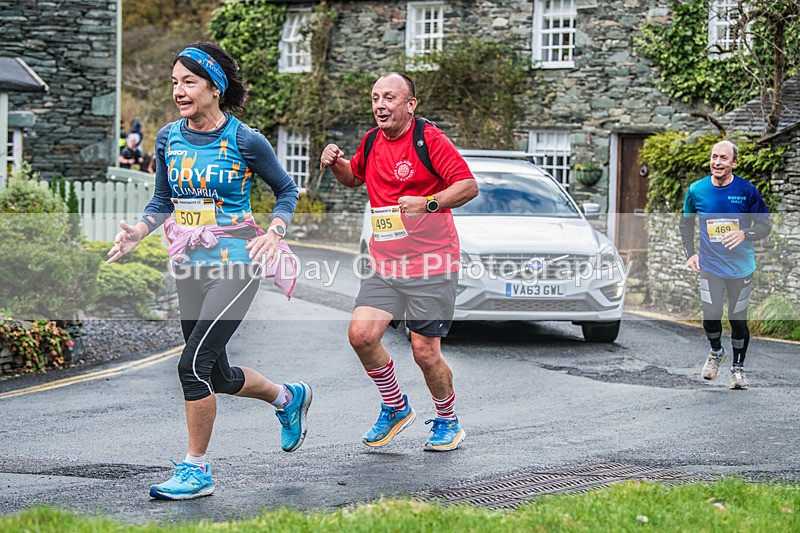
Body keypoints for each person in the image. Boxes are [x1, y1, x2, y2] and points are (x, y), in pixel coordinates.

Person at [106, 41, 311, 500]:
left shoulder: (245, 140)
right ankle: (287, 397)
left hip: (236, 263)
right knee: (215, 374)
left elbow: (286, 190)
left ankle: (196, 469)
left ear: (214, 87)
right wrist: (138, 231)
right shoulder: (167, 137)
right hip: (189, 265)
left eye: (189, 82)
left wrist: (274, 232)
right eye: (175, 83)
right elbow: (162, 200)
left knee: (191, 366)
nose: (179, 91)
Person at [320, 73, 478, 451]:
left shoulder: (430, 140)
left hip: (430, 263)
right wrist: (337, 162)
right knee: (361, 335)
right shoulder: (372, 140)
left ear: (410, 105)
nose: (380, 105)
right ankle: (395, 406)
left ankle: (447, 419)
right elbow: (354, 178)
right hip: (385, 263)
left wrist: (428, 203)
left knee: (425, 352)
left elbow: (468, 185)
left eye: (389, 97)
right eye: (375, 98)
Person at [679, 140, 771, 390]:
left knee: (738, 320)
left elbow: (764, 226)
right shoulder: (696, 190)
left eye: (723, 158)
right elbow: (685, 224)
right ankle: (716, 351)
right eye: (714, 157)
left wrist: (745, 234)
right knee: (711, 315)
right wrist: (690, 254)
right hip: (710, 267)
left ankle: (738, 370)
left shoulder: (747, 191)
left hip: (741, 269)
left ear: (734, 163)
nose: (717, 162)